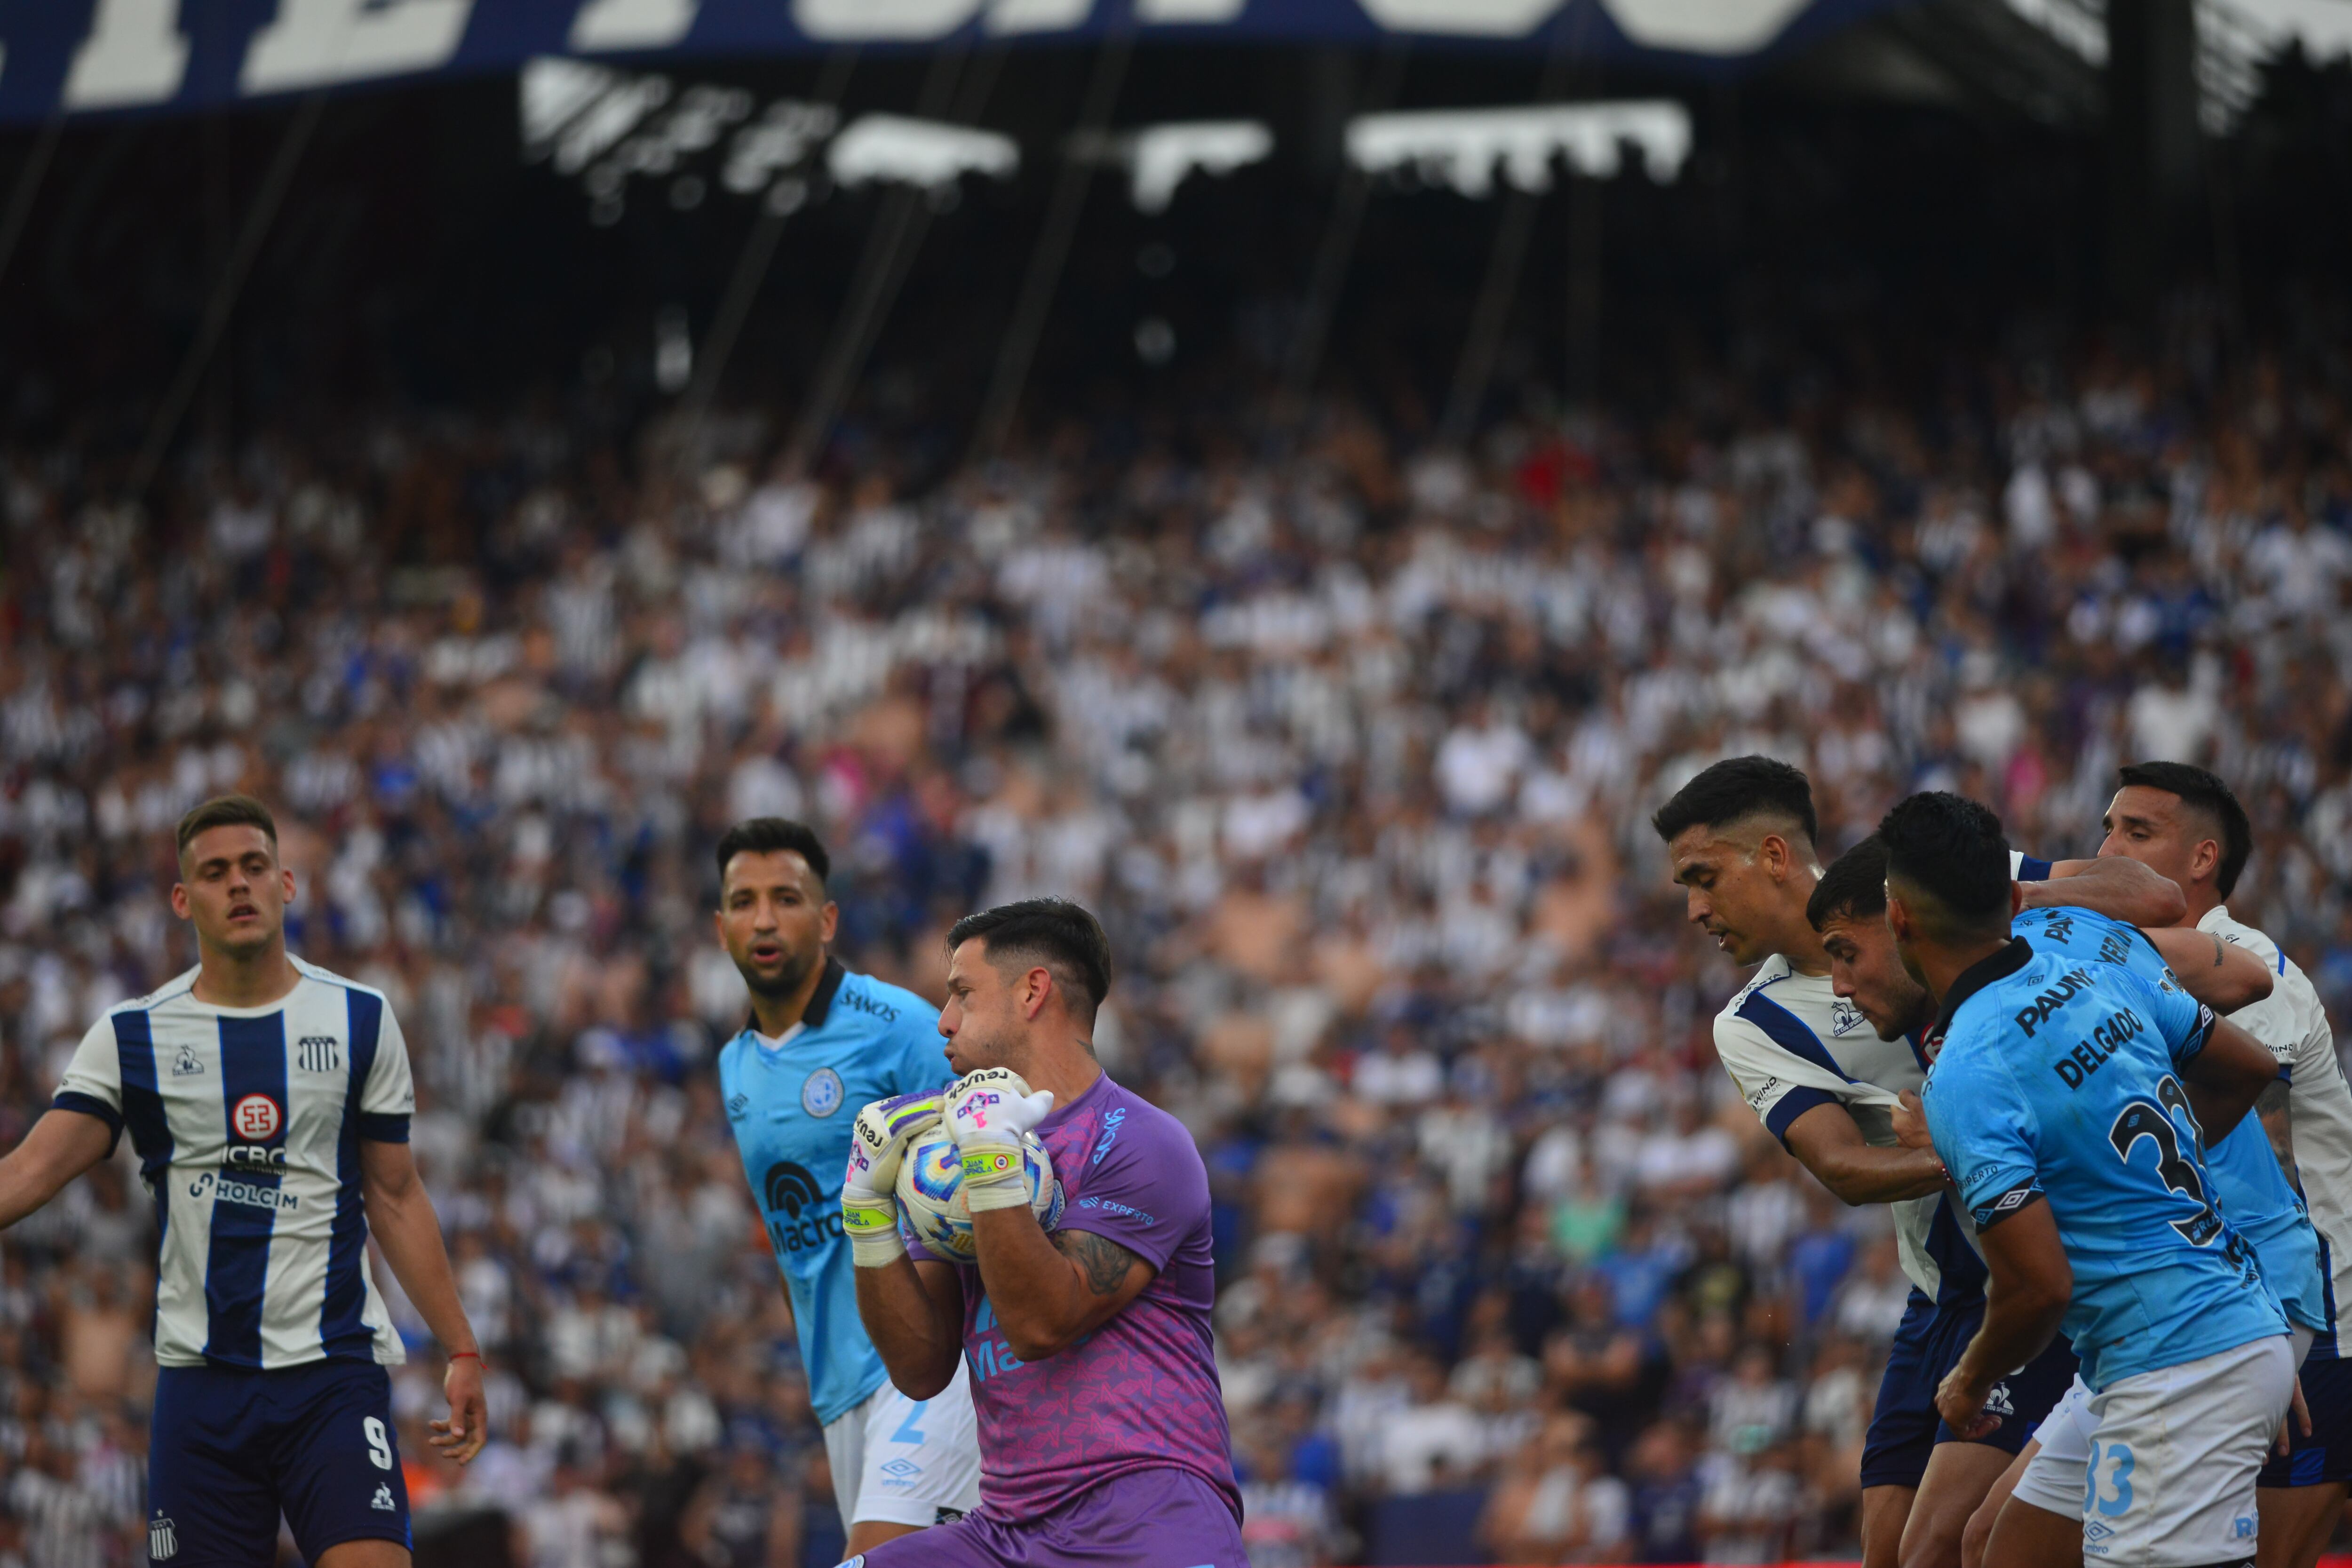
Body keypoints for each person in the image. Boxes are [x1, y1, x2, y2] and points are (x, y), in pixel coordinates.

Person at [1651, 756, 2171, 1568]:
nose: (1694, 909)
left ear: (1776, 857)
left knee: (1951, 1546)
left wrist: (2004, 899)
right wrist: (1959, 1155)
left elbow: (2149, 898)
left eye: (1703, 877)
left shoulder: (1926, 874)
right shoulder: (1752, 1023)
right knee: (1886, 1552)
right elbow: (1846, 1167)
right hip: (1936, 1292)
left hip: (2035, 1268)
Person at [0, 794, 486, 1568]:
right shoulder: (135, 1036)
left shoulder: (359, 1018)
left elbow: (394, 1192)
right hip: (202, 1389)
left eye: (254, 867)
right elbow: (31, 1168)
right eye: (217, 872)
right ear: (183, 899)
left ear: (286, 883)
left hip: (331, 1375)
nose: (240, 885)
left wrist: (461, 1346)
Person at [1810, 831, 2317, 1567]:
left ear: (1901, 922)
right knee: (1996, 1544)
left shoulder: (1964, 1073)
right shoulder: (2085, 954)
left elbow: (2037, 1288)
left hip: (2180, 1359)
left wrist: (1966, 1381)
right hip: (2198, 1325)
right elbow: (2250, 1063)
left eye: (1842, 953)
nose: (1837, 986)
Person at [1947, 764, 2352, 1568]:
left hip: (2317, 1312)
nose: (2108, 848)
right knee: (1991, 1541)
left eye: (2138, 832)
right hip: (2204, 1308)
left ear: (2203, 858)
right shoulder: (2112, 961)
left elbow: (2211, 1141)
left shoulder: (2247, 961)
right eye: (2107, 827)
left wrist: (2266, 1328)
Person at [846, 897, 1244, 1567]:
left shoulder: (1143, 1140)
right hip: (1006, 1530)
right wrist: (865, 1208)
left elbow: (1039, 1323)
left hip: (1147, 1515)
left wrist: (994, 1160)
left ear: (1033, 991)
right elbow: (920, 1367)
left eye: (962, 995)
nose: (943, 1022)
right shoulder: (950, 1158)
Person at [709, 818, 976, 1555]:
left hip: (931, 1369)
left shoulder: (899, 1027)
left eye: (787, 897)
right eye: (744, 900)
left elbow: (997, 1152)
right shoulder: (736, 1065)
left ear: (827, 919)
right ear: (720, 924)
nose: (764, 918)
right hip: (839, 1387)